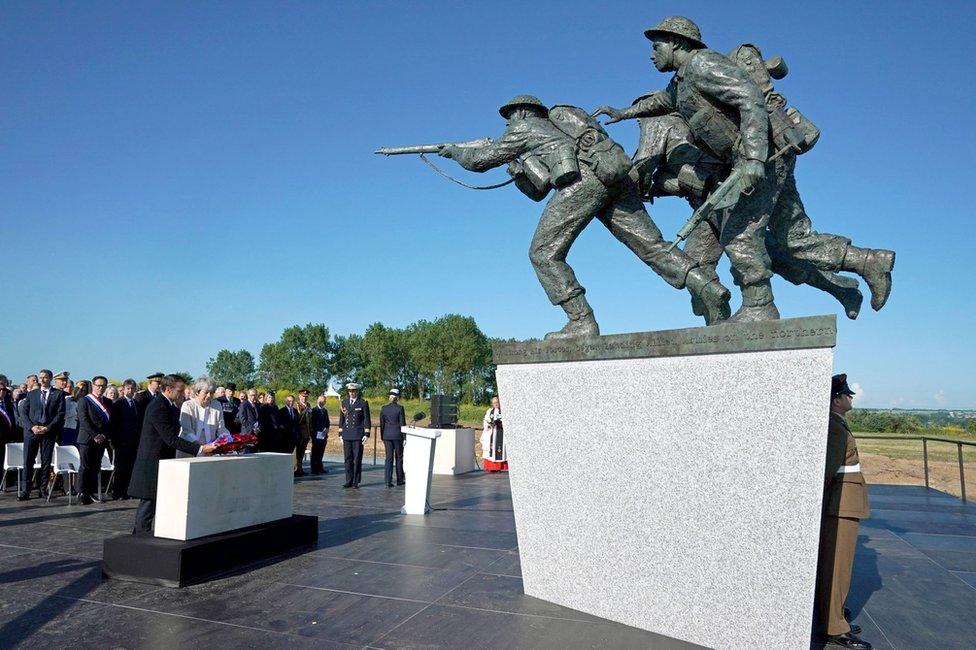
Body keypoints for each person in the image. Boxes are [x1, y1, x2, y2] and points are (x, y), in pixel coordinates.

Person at [440, 94, 731, 337]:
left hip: (585, 183)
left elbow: (480, 161)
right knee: (652, 246)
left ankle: (581, 320)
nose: (508, 122)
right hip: (614, 176)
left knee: (543, 253)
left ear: (525, 112)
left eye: (512, 115)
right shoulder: (560, 133)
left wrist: (455, 152)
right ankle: (707, 287)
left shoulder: (525, 128)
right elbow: (538, 189)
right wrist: (518, 169)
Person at [593, 16, 780, 321]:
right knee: (778, 242)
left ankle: (760, 307)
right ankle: (867, 263)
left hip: (760, 158)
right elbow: (662, 101)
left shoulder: (702, 64)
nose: (652, 54)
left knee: (738, 235)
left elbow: (750, 97)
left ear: (676, 43)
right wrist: (624, 112)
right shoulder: (681, 81)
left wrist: (755, 158)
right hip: (741, 162)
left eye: (657, 46)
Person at [815, 374, 872, 649]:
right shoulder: (835, 427)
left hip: (844, 500)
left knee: (836, 564)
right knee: (837, 565)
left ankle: (833, 612)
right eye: (846, 394)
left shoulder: (838, 424)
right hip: (840, 503)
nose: (850, 397)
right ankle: (833, 625)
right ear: (836, 400)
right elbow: (827, 471)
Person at [127, 375, 216, 535]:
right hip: (152, 462)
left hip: (163, 462)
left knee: (156, 503)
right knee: (148, 504)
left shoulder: (169, 406)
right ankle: (139, 538)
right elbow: (171, 439)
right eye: (180, 390)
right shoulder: (158, 407)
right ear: (168, 390)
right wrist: (200, 449)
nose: (183, 394)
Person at [20, 369, 66, 500]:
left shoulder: (58, 394)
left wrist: (48, 427)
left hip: (48, 432)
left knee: (46, 462)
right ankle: (26, 491)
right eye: (40, 377)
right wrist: (32, 427)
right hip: (32, 431)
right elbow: (24, 413)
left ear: (50, 378)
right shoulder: (32, 394)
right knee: (28, 461)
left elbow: (60, 414)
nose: (42, 380)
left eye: (45, 377)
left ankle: (43, 489)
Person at [75, 376, 112, 504]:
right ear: (93, 385)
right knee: (85, 466)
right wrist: (95, 435)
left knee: (96, 467)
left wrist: (104, 435)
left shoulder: (108, 401)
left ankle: (91, 492)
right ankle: (81, 493)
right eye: (98, 385)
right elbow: (83, 420)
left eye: (103, 386)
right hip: (87, 438)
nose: (100, 388)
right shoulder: (84, 401)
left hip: (101, 439)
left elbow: (110, 422)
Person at [177, 377, 228, 457]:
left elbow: (221, 428)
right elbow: (186, 431)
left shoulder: (217, 405)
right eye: (206, 392)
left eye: (211, 393)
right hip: (190, 450)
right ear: (197, 392)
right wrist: (202, 447)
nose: (209, 396)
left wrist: (227, 439)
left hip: (211, 452)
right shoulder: (188, 405)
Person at [109, 379, 141, 500]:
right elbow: (114, 423)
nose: (130, 391)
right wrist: (113, 439)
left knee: (131, 467)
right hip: (121, 441)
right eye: (128, 388)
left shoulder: (136, 404)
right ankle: (118, 492)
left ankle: (128, 490)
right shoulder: (118, 403)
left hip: (133, 441)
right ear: (124, 389)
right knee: (120, 467)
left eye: (132, 389)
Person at [339, 383, 370, 488]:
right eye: (350, 391)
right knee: (347, 459)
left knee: (357, 459)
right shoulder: (344, 402)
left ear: (357, 391)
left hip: (357, 434)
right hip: (347, 434)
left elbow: (366, 419)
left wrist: (367, 433)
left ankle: (356, 481)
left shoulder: (362, 403)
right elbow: (342, 419)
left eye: (354, 391)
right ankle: (348, 480)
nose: (352, 393)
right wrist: (340, 433)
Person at [380, 388, 407, 487]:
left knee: (388, 458)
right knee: (399, 458)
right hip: (397, 435)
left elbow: (382, 424)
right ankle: (399, 479)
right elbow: (402, 424)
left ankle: (388, 481)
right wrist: (404, 437)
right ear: (397, 397)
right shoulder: (400, 408)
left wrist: (382, 436)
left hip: (387, 435)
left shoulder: (384, 408)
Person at [0, 375, 18, 491]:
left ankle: (3, 484)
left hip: (6, 438)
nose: (2, 392)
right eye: (0, 389)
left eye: (4, 389)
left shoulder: (7, 403)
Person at [481, 396, 507, 472]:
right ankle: (492, 468)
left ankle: (501, 467)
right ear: (492, 403)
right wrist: (488, 425)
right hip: (492, 432)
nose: (496, 404)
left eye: (497, 402)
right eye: (494, 403)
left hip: (501, 432)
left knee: (500, 449)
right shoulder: (489, 411)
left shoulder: (504, 410)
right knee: (491, 449)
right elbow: (485, 421)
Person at [309, 394, 331, 474]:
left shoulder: (325, 411)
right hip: (316, 434)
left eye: (323, 401)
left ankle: (320, 467)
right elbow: (312, 423)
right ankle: (314, 469)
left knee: (321, 451)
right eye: (320, 400)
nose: (322, 402)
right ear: (317, 401)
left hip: (323, 434)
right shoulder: (314, 410)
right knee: (315, 451)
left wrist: (327, 429)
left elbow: (327, 421)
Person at [294, 389, 313, 477]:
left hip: (306, 432)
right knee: (297, 451)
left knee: (302, 451)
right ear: (299, 396)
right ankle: (296, 469)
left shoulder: (308, 405)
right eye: (302, 396)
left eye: (306, 397)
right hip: (299, 431)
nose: (304, 398)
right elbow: (297, 419)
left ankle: (300, 468)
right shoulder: (296, 405)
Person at [278, 394, 300, 460]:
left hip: (293, 438)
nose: (291, 403)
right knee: (284, 457)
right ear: (286, 401)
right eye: (289, 401)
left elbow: (297, 424)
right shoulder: (281, 411)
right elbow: (280, 425)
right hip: (285, 438)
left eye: (292, 401)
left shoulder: (296, 411)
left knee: (291, 457)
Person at [60, 372, 79, 446]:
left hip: (79, 428)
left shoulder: (80, 399)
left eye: (71, 387)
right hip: (69, 427)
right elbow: (64, 415)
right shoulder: (66, 399)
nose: (69, 389)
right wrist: (76, 410)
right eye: (67, 387)